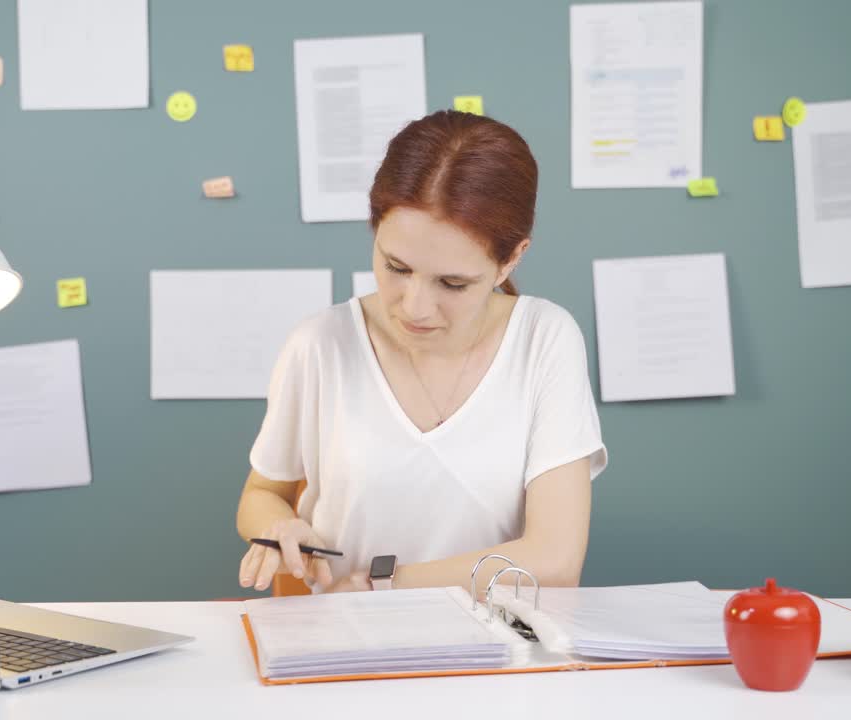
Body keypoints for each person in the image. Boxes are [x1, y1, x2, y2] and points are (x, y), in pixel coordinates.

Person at [236, 110, 607, 595]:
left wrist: (380, 586)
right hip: (340, 647)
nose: (414, 307)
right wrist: (280, 528)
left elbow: (555, 560)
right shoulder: (321, 344)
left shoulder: (544, 339)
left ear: (510, 259)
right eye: (396, 267)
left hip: (497, 655)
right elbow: (263, 494)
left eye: (452, 283)